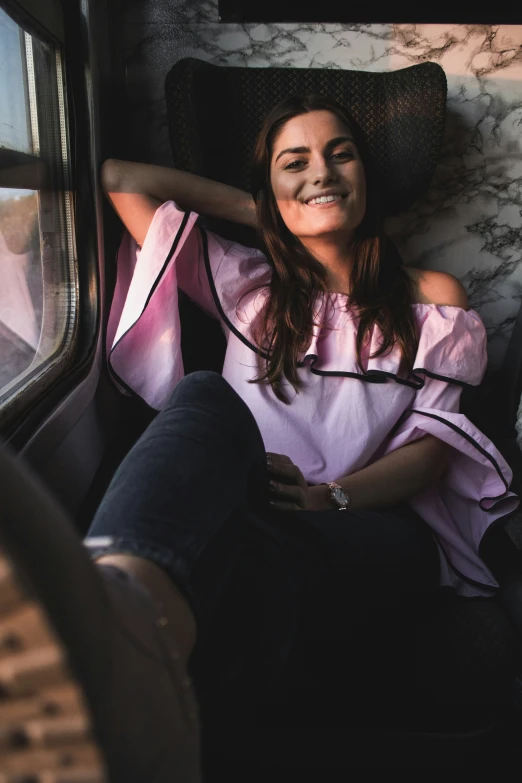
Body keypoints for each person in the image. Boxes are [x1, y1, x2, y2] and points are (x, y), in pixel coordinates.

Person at [0, 94, 520, 781]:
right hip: (242, 498)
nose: (323, 172)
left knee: (243, 544)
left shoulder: (432, 298)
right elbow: (124, 178)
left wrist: (326, 496)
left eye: (341, 154)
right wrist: (267, 214)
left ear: (367, 174)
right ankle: (129, 610)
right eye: (293, 162)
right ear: (268, 185)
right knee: (204, 396)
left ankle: (116, 637)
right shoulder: (248, 286)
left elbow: (429, 455)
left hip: (372, 523)